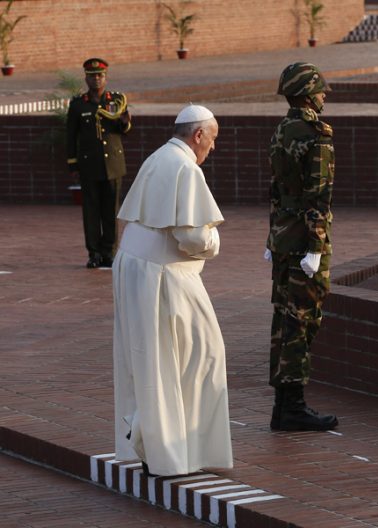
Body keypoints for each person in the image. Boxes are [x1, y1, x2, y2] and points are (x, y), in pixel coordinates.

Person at [112, 104, 232, 477]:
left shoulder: (159, 155)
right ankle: (167, 451)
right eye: (211, 140)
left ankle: (154, 443)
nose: (211, 149)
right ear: (198, 135)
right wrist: (214, 240)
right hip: (162, 275)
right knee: (200, 356)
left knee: (150, 361)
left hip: (136, 267)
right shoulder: (185, 167)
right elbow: (193, 237)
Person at [265, 62, 338, 431]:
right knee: (302, 320)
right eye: (320, 90)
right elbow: (318, 197)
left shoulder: (282, 130)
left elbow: (276, 191)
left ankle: (283, 404)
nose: (324, 95)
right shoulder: (316, 135)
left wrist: (272, 236)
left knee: (283, 318)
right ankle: (292, 406)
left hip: (282, 236)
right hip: (303, 242)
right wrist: (315, 246)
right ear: (308, 93)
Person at [66, 58, 131, 269]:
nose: (96, 79)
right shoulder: (78, 104)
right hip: (89, 165)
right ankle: (93, 253)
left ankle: (109, 252)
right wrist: (73, 165)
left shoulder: (117, 101)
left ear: (106, 77)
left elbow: (124, 130)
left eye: (100, 75)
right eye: (92, 75)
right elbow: (71, 137)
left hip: (112, 164)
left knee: (110, 211)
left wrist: (124, 122)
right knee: (91, 211)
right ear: (86, 77)